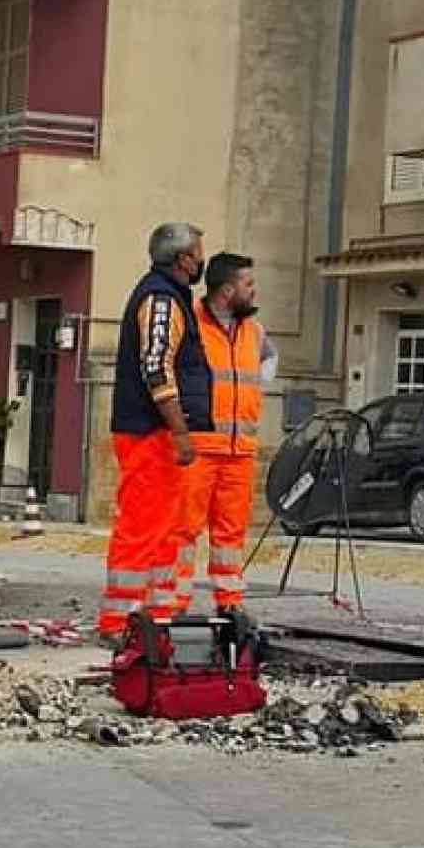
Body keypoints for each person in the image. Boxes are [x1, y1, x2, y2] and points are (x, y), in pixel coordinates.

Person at [104, 222, 212, 623]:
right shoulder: (162, 301)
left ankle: (157, 615)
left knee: (166, 528)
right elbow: (157, 369)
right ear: (184, 259)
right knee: (142, 526)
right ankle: (120, 620)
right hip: (151, 432)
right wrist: (180, 431)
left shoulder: (168, 297)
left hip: (157, 432)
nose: (202, 260)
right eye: (198, 252)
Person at [172, 253, 279, 613]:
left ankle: (229, 604)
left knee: (230, 536)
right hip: (199, 447)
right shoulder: (191, 326)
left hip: (240, 451)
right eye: (249, 285)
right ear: (228, 290)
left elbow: (267, 363)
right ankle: (174, 605)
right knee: (183, 531)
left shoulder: (255, 330)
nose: (254, 291)